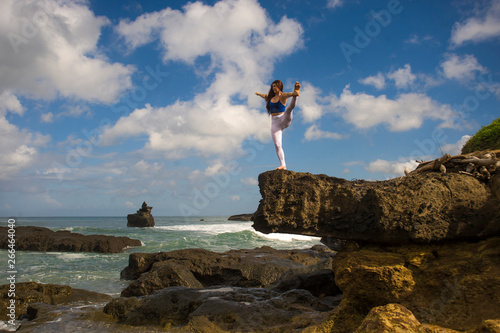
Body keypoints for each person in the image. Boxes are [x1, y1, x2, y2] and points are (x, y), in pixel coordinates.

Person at [256, 80, 300, 170]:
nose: (273, 88)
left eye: (275, 86)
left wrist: (294, 93)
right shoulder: (270, 98)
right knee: (277, 144)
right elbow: (265, 96)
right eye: (272, 86)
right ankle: (283, 165)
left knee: (288, 109)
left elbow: (288, 94)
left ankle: (297, 95)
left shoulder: (283, 96)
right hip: (274, 122)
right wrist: (258, 94)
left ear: (280, 87)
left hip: (284, 118)